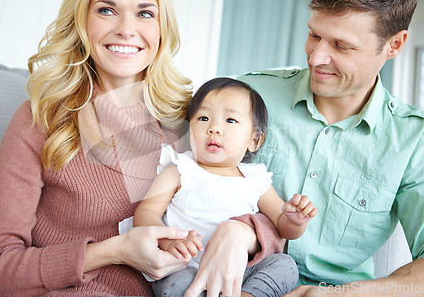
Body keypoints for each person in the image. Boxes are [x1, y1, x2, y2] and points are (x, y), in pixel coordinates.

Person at [0, 0, 284, 296]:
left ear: (163, 27)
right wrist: (114, 250)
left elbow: (267, 217)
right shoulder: (42, 120)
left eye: (145, 13)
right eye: (106, 10)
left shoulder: (193, 120)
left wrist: (240, 232)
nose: (126, 29)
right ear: (82, 20)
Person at [238, 0, 424, 295]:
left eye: (341, 45)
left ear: (394, 45)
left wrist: (343, 294)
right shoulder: (249, 95)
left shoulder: (417, 141)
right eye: (314, 35)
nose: (316, 57)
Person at [133, 77, 318, 296]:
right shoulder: (179, 171)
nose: (214, 128)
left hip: (241, 272)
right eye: (203, 118)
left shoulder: (255, 179)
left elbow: (282, 227)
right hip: (189, 267)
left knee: (285, 265)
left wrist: (295, 220)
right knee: (175, 282)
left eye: (230, 120)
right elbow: (145, 213)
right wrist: (169, 241)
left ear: (254, 141)